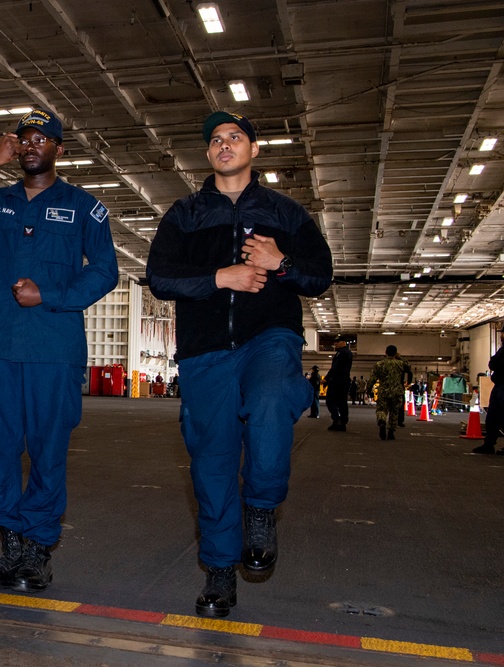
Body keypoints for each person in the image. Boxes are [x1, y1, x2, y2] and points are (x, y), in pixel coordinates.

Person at [145, 111, 333, 618]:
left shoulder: (286, 213)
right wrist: (219, 277)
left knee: (273, 399)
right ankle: (220, 572)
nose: (224, 145)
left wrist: (281, 264)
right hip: (205, 352)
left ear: (254, 149)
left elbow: (320, 275)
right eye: (216, 140)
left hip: (267, 338)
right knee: (212, 464)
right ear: (208, 153)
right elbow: (159, 276)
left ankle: (262, 507)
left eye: (235, 137)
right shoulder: (184, 213)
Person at [0, 108, 118, 593]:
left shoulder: (84, 207)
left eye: (43, 138)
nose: (32, 144)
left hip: (53, 350)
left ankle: (37, 549)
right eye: (24, 138)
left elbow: (105, 271)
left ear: (60, 148)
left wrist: (51, 295)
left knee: (46, 450)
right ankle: (10, 544)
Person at [364, 344, 410, 441]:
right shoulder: (400, 364)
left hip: (384, 391)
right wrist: (400, 356)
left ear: (385, 353)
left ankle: (382, 421)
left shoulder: (379, 364)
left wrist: (368, 390)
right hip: (397, 392)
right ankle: (391, 432)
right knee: (394, 412)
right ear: (395, 353)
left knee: (381, 409)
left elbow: (372, 379)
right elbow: (408, 366)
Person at [474, 345, 504, 455]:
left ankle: (489, 444)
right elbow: (492, 363)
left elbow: (494, 363)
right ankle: (488, 444)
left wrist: (496, 363)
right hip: (499, 385)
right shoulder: (502, 349)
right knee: (492, 417)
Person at [325, 338, 352, 431]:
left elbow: (336, 367)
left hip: (338, 381)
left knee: (330, 400)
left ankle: (336, 419)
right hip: (344, 380)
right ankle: (342, 422)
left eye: (337, 343)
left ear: (343, 342)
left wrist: (326, 378)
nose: (335, 345)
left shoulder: (342, 353)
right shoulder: (348, 352)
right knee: (342, 402)